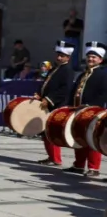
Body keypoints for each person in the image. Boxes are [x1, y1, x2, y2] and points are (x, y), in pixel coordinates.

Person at [66, 41, 106, 177]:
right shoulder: (84, 74)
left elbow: (103, 93)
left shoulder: (103, 74)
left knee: (92, 140)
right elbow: (74, 91)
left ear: (100, 59)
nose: (90, 59)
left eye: (94, 57)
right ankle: (78, 165)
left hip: (94, 112)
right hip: (79, 111)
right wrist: (70, 105)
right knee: (79, 138)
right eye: (89, 56)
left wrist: (91, 105)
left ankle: (93, 168)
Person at [36, 41, 75, 166]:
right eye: (58, 54)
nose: (59, 57)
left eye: (62, 55)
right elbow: (45, 84)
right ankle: (50, 156)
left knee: (51, 132)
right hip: (47, 102)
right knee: (45, 131)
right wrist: (39, 94)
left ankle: (56, 158)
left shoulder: (67, 70)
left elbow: (64, 90)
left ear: (68, 57)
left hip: (56, 104)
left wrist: (49, 99)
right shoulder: (54, 68)